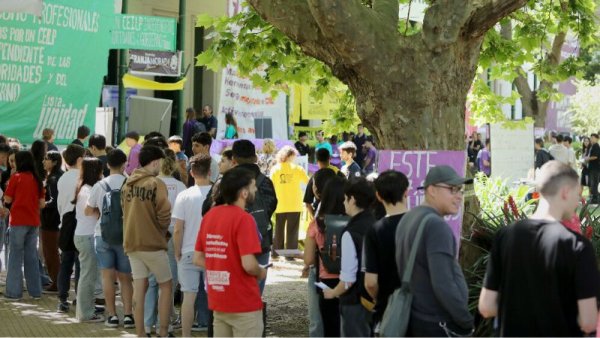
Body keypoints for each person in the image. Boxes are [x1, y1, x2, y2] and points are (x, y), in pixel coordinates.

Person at [478, 161, 600, 336]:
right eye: (577, 194)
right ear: (565, 192)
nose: (578, 202)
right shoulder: (577, 246)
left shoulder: (504, 236)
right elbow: (588, 321)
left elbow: (486, 307)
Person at [395, 165, 474, 336]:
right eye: (453, 190)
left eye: (460, 190)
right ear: (432, 190)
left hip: (416, 319)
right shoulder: (436, 226)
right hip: (435, 324)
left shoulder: (408, 217)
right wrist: (465, 320)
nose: (459, 196)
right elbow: (443, 282)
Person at [193, 166, 267, 337]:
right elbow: (248, 265)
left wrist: (222, 265)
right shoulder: (244, 219)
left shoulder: (209, 217)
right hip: (244, 303)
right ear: (244, 192)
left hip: (218, 300)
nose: (255, 189)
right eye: (253, 186)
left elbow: (197, 258)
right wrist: (261, 271)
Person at [122, 145, 172, 338]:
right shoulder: (156, 183)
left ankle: (141, 333)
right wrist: (161, 231)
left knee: (139, 287)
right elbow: (165, 212)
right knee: (166, 285)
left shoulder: (128, 184)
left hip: (131, 243)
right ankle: (163, 331)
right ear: (155, 162)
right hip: (152, 244)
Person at [85, 149, 134, 329]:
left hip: (102, 235)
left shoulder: (100, 185)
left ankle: (112, 315)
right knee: (125, 277)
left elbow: (88, 210)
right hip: (125, 236)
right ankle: (128, 315)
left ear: (107, 165)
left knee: (107, 276)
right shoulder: (130, 183)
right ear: (124, 164)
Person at [323, 178, 376, 336]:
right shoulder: (377, 224)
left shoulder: (350, 232)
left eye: (345, 198)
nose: (344, 202)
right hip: (375, 300)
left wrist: (332, 292)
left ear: (352, 199)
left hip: (355, 302)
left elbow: (348, 278)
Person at [362, 170, 409, 334]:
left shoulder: (375, 231)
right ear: (406, 192)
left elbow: (370, 282)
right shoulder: (423, 224)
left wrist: (379, 298)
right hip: (422, 311)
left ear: (379, 196)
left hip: (388, 310)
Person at [144, 149, 185, 336]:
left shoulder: (149, 184)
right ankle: (165, 324)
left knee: (152, 282)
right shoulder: (180, 186)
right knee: (168, 283)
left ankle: (146, 324)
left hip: (152, 234)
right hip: (173, 235)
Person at [173, 154, 213, 336]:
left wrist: (177, 251)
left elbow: (178, 229)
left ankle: (186, 335)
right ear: (210, 171)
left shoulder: (184, 196)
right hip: (212, 252)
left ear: (191, 173)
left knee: (188, 297)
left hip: (188, 251)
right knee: (215, 296)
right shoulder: (218, 195)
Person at [304, 175, 347, 337]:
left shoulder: (317, 224)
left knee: (328, 324)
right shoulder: (355, 222)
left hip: (325, 280)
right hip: (350, 280)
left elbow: (308, 259)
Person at [2, 151, 45, 300]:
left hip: (18, 221)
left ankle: (14, 292)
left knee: (15, 256)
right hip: (33, 221)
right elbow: (42, 204)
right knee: (31, 257)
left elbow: (7, 198)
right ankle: (35, 291)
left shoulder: (16, 178)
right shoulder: (37, 179)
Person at [72, 157, 104, 323]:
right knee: (87, 276)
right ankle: (85, 313)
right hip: (87, 236)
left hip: (83, 235)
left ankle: (85, 310)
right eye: (100, 169)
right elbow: (88, 211)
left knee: (87, 275)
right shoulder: (88, 190)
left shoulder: (84, 187)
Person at [56, 144, 85, 312]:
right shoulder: (84, 177)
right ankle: (80, 297)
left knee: (65, 263)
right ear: (80, 159)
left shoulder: (63, 178)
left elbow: (60, 203)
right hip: (80, 222)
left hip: (65, 222)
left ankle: (62, 299)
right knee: (80, 262)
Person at [270, 146, 309, 256]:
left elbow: (270, 186)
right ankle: (290, 254)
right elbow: (309, 182)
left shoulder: (275, 169)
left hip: (279, 204)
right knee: (292, 230)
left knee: (279, 229)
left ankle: (277, 252)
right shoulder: (298, 169)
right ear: (291, 156)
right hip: (295, 204)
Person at [40, 150, 64, 293]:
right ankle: (56, 281)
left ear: (55, 161)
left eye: (47, 159)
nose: (44, 161)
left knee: (51, 252)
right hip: (55, 220)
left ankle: (56, 283)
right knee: (52, 252)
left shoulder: (54, 178)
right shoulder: (57, 176)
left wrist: (43, 204)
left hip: (51, 221)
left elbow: (54, 200)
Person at [304, 148, 339, 219]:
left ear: (317, 161)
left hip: (320, 214)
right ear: (329, 158)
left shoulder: (314, 177)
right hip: (336, 214)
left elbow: (307, 203)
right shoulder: (338, 174)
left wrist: (314, 216)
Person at [585, 133, 600, 204]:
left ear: (597, 138)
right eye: (591, 137)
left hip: (595, 168)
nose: (591, 139)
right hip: (592, 168)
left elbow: (595, 156)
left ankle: (595, 199)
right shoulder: (592, 146)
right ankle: (594, 198)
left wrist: (587, 159)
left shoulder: (596, 146)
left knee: (594, 183)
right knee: (592, 183)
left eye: (593, 137)